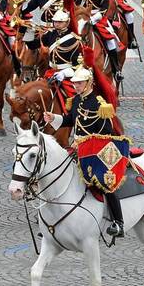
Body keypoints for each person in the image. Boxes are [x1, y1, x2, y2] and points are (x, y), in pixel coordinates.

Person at [44, 59, 127, 237]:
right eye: (74, 84)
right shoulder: (75, 101)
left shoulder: (99, 104)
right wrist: (54, 118)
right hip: (76, 148)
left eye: (79, 83)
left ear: (88, 83)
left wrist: (87, 144)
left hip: (95, 150)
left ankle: (118, 222)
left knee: (105, 182)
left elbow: (106, 132)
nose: (75, 87)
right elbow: (70, 120)